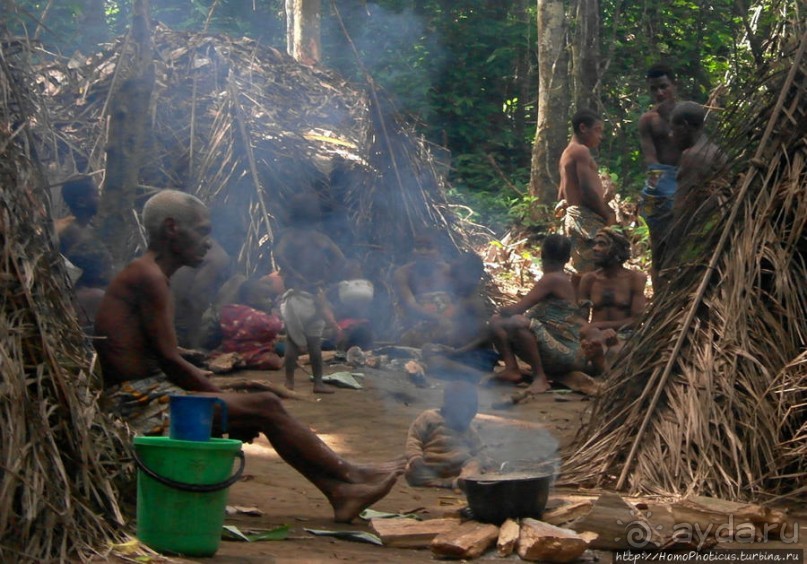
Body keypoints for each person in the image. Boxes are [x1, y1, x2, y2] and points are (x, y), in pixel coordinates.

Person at [94, 189, 402, 523]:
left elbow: (162, 355)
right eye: (202, 231)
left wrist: (224, 402)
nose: (208, 243)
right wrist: (220, 398)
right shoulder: (149, 276)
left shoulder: (151, 274)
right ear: (172, 228)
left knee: (258, 404)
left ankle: (342, 489)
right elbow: (168, 359)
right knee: (264, 406)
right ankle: (348, 479)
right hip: (135, 401)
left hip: (148, 392)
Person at [489, 234, 588, 394]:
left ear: (542, 254)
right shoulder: (558, 278)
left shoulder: (552, 279)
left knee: (516, 322)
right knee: (496, 322)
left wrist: (502, 310)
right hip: (559, 350)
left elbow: (518, 310)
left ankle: (539, 378)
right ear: (568, 258)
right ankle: (512, 370)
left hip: (566, 353)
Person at [275, 194, 346, 393]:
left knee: (292, 342)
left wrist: (292, 271)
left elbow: (278, 254)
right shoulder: (320, 239)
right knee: (315, 343)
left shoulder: (289, 236)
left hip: (296, 295)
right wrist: (326, 278)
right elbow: (341, 259)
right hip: (314, 295)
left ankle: (289, 382)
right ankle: (318, 383)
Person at [558, 109, 616, 288]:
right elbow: (587, 190)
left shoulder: (568, 152)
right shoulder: (580, 150)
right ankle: (587, 311)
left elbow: (562, 192)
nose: (600, 136)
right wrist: (606, 215)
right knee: (595, 271)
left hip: (577, 216)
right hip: (585, 217)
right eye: (598, 130)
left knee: (581, 271)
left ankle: (579, 313)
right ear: (583, 128)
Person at [421, 252, 499, 382]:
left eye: (456, 277)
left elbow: (484, 336)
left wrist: (457, 352)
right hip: (464, 353)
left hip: (479, 357)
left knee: (436, 362)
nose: (453, 281)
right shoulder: (462, 299)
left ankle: (479, 375)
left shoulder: (474, 301)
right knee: (428, 351)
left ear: (473, 278)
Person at [577, 228, 647, 373]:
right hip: (595, 334)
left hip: (624, 334)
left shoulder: (635, 279)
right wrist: (595, 330)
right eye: (595, 244)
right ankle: (599, 361)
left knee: (616, 350)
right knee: (592, 343)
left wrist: (604, 327)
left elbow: (636, 320)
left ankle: (601, 366)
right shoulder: (588, 279)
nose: (595, 249)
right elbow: (580, 318)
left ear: (617, 250)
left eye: (602, 244)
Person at [638, 63, 681, 286]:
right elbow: (650, 158)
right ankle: (659, 300)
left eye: (663, 87)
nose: (659, 93)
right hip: (662, 185)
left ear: (674, 85)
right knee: (659, 248)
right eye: (654, 89)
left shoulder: (690, 114)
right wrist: (661, 188)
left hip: (687, 183)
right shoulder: (648, 120)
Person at [404, 381, 489, 489]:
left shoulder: (468, 429)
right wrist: (415, 457)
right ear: (448, 404)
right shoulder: (429, 417)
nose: (468, 413)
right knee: (410, 471)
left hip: (458, 468)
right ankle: (447, 483)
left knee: (474, 465)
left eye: (471, 409)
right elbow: (414, 439)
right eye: (463, 408)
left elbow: (480, 450)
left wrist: (484, 463)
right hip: (429, 465)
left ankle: (459, 482)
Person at [208, 276, 284, 370]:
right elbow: (273, 326)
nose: (270, 301)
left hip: (229, 350)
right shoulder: (253, 315)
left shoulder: (231, 310)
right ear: (251, 299)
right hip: (252, 352)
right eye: (266, 297)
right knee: (273, 360)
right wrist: (276, 317)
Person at [393, 234, 455, 347]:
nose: (423, 252)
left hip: (447, 326)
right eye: (418, 247)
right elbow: (410, 304)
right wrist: (438, 318)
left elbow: (460, 300)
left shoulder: (448, 271)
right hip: (415, 325)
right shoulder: (403, 273)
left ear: (438, 250)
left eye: (429, 247)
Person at [671, 101, 727, 221]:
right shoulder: (716, 151)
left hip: (700, 230)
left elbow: (682, 211)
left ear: (684, 127)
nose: (671, 135)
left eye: (673, 129)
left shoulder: (693, 156)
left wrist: (672, 238)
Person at [68, 238, 113, 334]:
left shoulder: (73, 290)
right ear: (102, 271)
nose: (112, 269)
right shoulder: (97, 296)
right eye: (110, 265)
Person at [55, 176, 100, 257]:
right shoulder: (70, 232)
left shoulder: (88, 227)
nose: (101, 198)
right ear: (81, 202)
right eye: (96, 194)